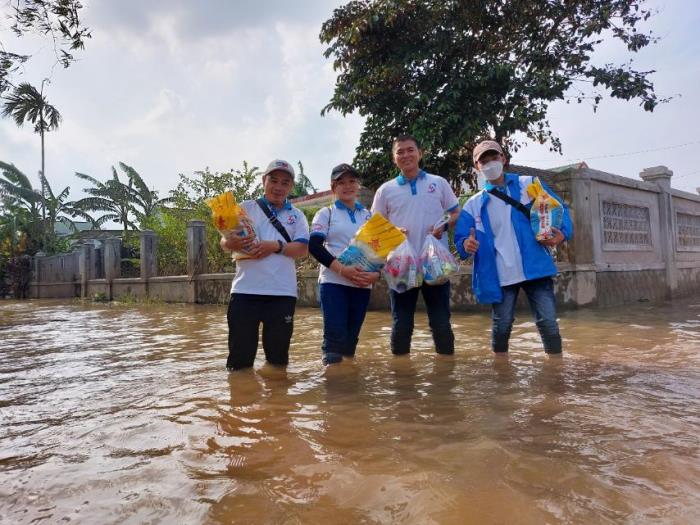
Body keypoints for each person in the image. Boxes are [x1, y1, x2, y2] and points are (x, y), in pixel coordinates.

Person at [454, 140, 573, 355]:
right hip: (499, 274)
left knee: (548, 323)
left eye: (494, 157)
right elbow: (461, 238)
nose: (490, 163)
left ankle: (556, 370)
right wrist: (466, 244)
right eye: (484, 160)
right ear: (477, 167)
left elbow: (559, 209)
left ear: (504, 159)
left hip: (534, 266)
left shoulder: (529, 184)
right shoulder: (473, 204)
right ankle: (502, 374)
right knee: (502, 325)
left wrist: (562, 234)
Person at [371, 135, 460, 356]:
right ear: (394, 159)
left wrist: (444, 226)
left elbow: (455, 212)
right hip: (401, 266)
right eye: (400, 152)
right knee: (401, 324)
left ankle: (446, 375)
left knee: (441, 323)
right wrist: (392, 232)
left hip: (435, 265)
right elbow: (374, 226)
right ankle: (402, 378)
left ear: (420, 153)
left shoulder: (438, 182)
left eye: (410, 150)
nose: (406, 155)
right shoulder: (385, 190)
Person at [220, 159, 309, 370]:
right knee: (239, 362)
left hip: (282, 294)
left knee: (278, 362)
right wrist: (230, 242)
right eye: (274, 180)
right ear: (264, 180)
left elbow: (303, 250)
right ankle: (240, 401)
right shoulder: (244, 208)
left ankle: (278, 402)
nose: (278, 187)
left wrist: (275, 246)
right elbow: (224, 242)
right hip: (245, 292)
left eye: (285, 183)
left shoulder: (297, 216)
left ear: (291, 186)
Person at [308, 163, 380, 365]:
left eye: (352, 181)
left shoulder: (368, 216)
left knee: (351, 341)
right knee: (334, 339)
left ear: (358, 185)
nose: (347, 186)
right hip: (333, 283)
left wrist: (377, 275)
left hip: (362, 283)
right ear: (333, 187)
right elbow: (314, 246)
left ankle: (349, 386)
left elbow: (379, 251)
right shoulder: (326, 214)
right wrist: (342, 269)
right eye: (341, 182)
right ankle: (333, 387)